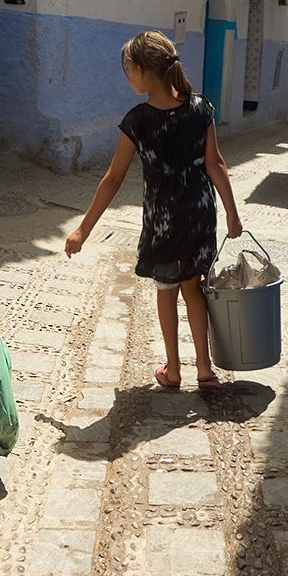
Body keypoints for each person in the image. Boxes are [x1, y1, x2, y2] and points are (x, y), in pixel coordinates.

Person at [65, 30, 242, 389]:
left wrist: (83, 229)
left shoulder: (138, 121)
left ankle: (173, 369)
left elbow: (113, 179)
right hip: (199, 213)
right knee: (194, 287)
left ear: (144, 70)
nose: (127, 76)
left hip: (164, 220)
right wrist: (232, 213)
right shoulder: (200, 108)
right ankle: (205, 370)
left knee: (167, 289)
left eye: (128, 69)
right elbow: (216, 164)